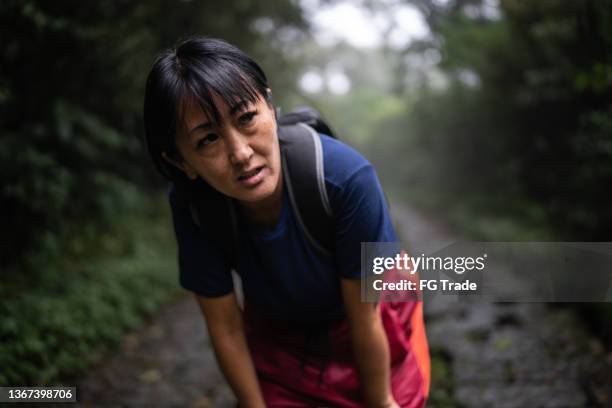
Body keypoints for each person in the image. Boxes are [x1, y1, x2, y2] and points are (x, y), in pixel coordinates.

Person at [143, 36, 430, 408]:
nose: (241, 153)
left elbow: (367, 317)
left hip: (372, 312)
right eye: (208, 139)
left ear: (270, 106)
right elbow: (226, 327)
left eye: (246, 118)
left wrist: (381, 401)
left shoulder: (345, 177)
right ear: (181, 162)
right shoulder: (194, 207)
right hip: (281, 331)